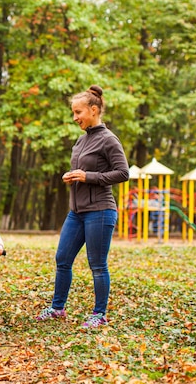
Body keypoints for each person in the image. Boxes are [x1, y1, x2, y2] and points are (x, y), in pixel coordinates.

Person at [36, 85, 129, 328]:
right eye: (74, 113)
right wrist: (73, 176)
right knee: (62, 258)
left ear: (94, 110)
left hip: (100, 210)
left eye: (78, 112)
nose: (75, 117)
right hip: (76, 212)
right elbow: (84, 171)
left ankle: (99, 314)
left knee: (97, 265)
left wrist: (88, 177)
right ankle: (58, 308)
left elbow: (122, 173)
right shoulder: (81, 140)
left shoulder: (109, 139)